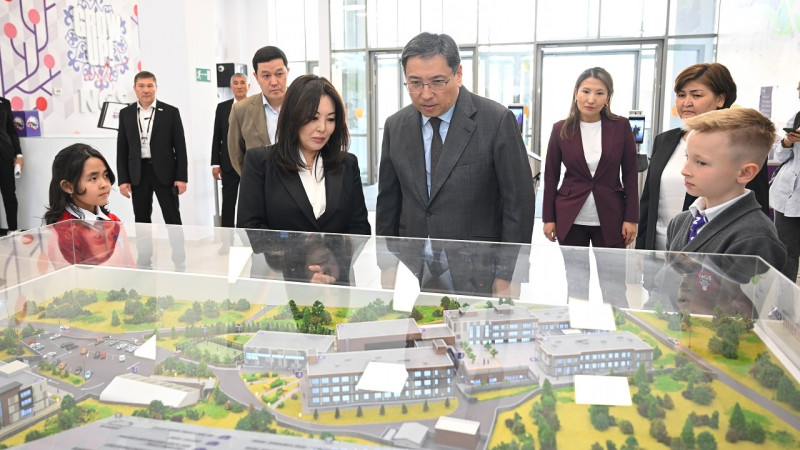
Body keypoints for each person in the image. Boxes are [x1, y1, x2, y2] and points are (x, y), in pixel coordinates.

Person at [376, 32, 534, 297]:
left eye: (437, 82)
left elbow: (518, 203)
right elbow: (388, 203)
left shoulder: (496, 121)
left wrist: (508, 274)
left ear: (458, 74)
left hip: (478, 267)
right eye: (415, 83)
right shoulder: (396, 126)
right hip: (414, 266)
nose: (426, 94)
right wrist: (387, 264)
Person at [237, 75, 370, 282]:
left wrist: (332, 266)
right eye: (313, 117)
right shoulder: (261, 161)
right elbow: (250, 228)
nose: (322, 128)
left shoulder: (347, 163)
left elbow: (359, 227)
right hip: (279, 279)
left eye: (330, 119)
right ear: (293, 116)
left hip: (334, 278)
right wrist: (303, 256)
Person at [637, 63, 769, 251]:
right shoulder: (664, 140)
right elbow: (648, 201)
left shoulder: (740, 146)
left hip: (711, 248)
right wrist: (641, 249)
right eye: (681, 95)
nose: (686, 102)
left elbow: (754, 206)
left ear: (720, 99)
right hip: (658, 244)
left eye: (696, 95)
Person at [542, 67, 639, 303]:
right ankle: (578, 325)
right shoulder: (561, 129)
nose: (591, 99)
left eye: (599, 93)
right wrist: (548, 218)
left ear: (608, 97)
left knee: (614, 286)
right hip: (571, 217)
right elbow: (551, 176)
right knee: (576, 285)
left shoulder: (621, 127)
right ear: (576, 92)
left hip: (612, 217)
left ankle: (617, 325)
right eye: (586, 91)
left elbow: (630, 174)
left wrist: (632, 218)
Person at [665, 108, 785, 269]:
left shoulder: (755, 237)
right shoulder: (680, 222)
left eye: (701, 163)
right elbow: (666, 279)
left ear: (745, 173)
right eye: (687, 157)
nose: (684, 170)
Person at [43, 144, 133, 267]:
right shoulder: (64, 231)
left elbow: (130, 265)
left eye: (106, 175)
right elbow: (69, 276)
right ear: (68, 186)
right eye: (93, 178)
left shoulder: (114, 221)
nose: (104, 184)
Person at [116, 70, 188, 225]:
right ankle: (144, 244)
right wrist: (123, 180)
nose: (146, 90)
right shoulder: (126, 114)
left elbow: (180, 148)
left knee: (172, 217)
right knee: (141, 219)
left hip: (165, 173)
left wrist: (181, 177)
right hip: (138, 173)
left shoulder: (170, 112)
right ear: (135, 88)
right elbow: (122, 149)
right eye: (141, 86)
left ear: (156, 87)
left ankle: (177, 243)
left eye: (150, 86)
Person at [228, 46, 289, 175]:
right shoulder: (241, 110)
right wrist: (253, 181)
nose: (274, 82)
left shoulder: (304, 104)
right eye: (266, 76)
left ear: (287, 72)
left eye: (279, 74)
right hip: (261, 183)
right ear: (256, 77)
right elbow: (236, 155)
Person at [769, 81, 800, 282]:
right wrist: (787, 141)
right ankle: (784, 299)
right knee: (785, 254)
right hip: (787, 198)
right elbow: (781, 156)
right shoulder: (796, 117)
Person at [211, 73, 250, 228]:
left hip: (251, 162)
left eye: (242, 82)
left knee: (250, 203)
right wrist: (215, 163)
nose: (239, 86)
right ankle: (226, 238)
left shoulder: (256, 106)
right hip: (228, 163)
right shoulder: (222, 107)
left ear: (248, 86)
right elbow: (217, 136)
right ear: (231, 86)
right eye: (236, 83)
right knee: (228, 202)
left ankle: (249, 236)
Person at [0, 96, 22, 235]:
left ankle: (13, 229)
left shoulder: (4, 103)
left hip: (5, 155)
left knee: (9, 194)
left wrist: (19, 155)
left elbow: (11, 130)